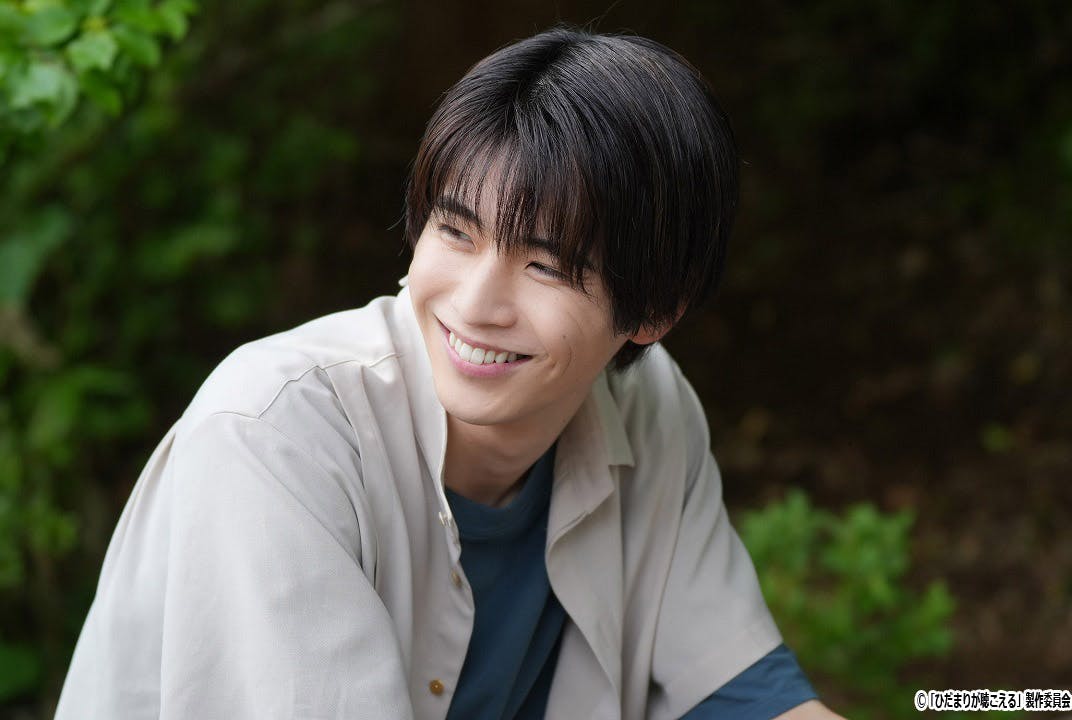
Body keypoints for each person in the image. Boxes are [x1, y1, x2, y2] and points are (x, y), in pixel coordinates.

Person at [55, 25, 843, 720]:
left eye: (544, 265)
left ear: (656, 310)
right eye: (456, 232)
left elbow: (743, 696)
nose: (474, 305)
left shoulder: (647, 402)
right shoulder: (273, 436)